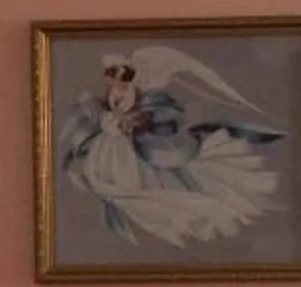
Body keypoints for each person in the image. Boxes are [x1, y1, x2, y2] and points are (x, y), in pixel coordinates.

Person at [59, 51, 288, 249]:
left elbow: (145, 114)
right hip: (110, 142)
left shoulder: (134, 94)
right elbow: (106, 112)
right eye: (110, 80)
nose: (112, 85)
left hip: (128, 142)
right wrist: (106, 119)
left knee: (137, 176)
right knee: (107, 172)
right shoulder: (111, 95)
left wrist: (129, 121)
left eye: (116, 80)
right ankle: (116, 189)